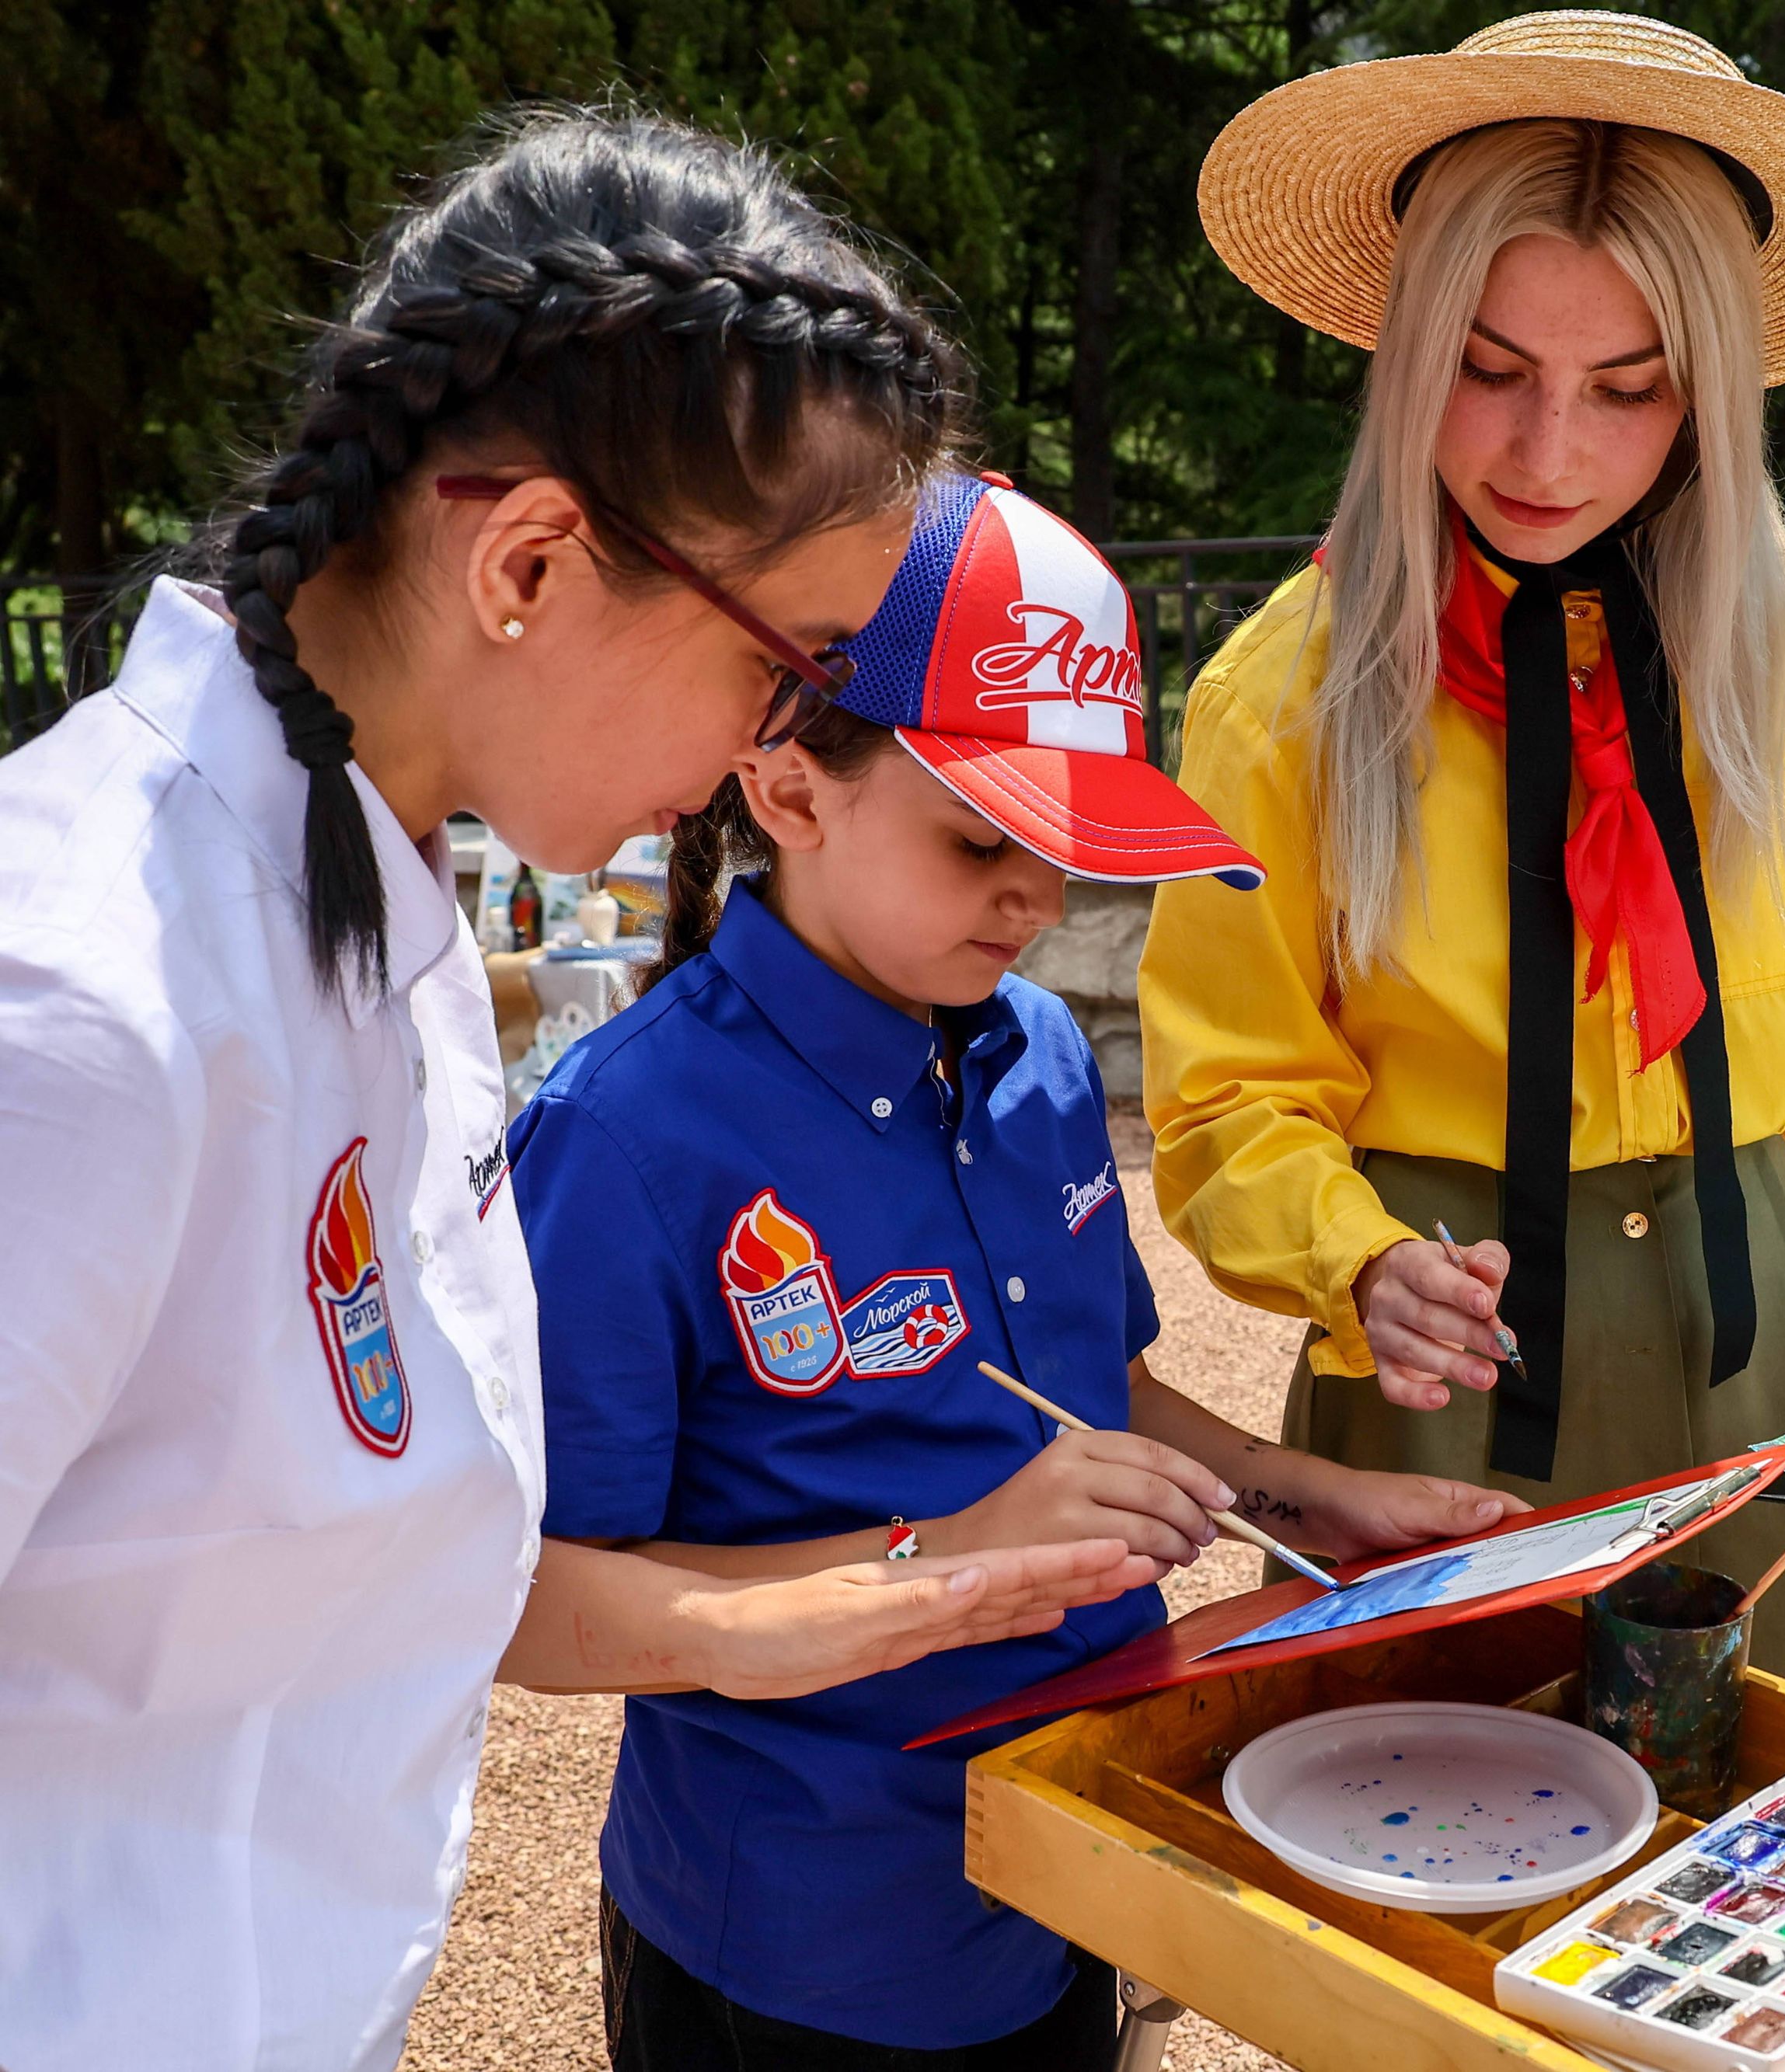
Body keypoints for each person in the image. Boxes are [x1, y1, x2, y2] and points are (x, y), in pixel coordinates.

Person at [0, 115, 1152, 2071]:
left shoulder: (368, 936)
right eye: (786, 667)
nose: (759, 761)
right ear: (528, 561)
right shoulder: (77, 1005)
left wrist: (900, 1585)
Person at [1138, 13, 1785, 1736]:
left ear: (1711, 391)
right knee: (1434, 1886)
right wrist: (1354, 1257)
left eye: (1626, 388)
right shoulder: (1285, 689)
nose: (1547, 452)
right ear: (1405, 355)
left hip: (1750, 1328)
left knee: (1779, 1875)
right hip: (1445, 1362)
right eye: (1489, 369)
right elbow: (1227, 1103)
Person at [512, 471, 1522, 2070]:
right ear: (785, 789)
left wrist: (1284, 1486)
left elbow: (1092, 1387)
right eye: (983, 834)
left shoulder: (1039, 1051)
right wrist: (949, 1550)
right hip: (806, 1926)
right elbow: (536, 1604)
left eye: (1069, 839)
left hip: (1076, 1848)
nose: (1039, 899)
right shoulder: (630, 1135)